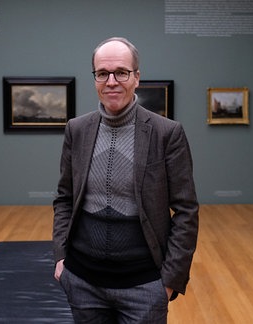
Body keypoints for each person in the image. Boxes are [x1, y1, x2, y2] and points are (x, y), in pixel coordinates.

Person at [52, 37, 199, 324]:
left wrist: (169, 281)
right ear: (95, 78)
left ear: (136, 78)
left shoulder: (166, 133)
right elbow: (64, 198)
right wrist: (60, 257)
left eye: (121, 72)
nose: (111, 81)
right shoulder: (77, 129)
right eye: (103, 73)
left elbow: (186, 211)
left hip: (144, 286)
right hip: (83, 282)